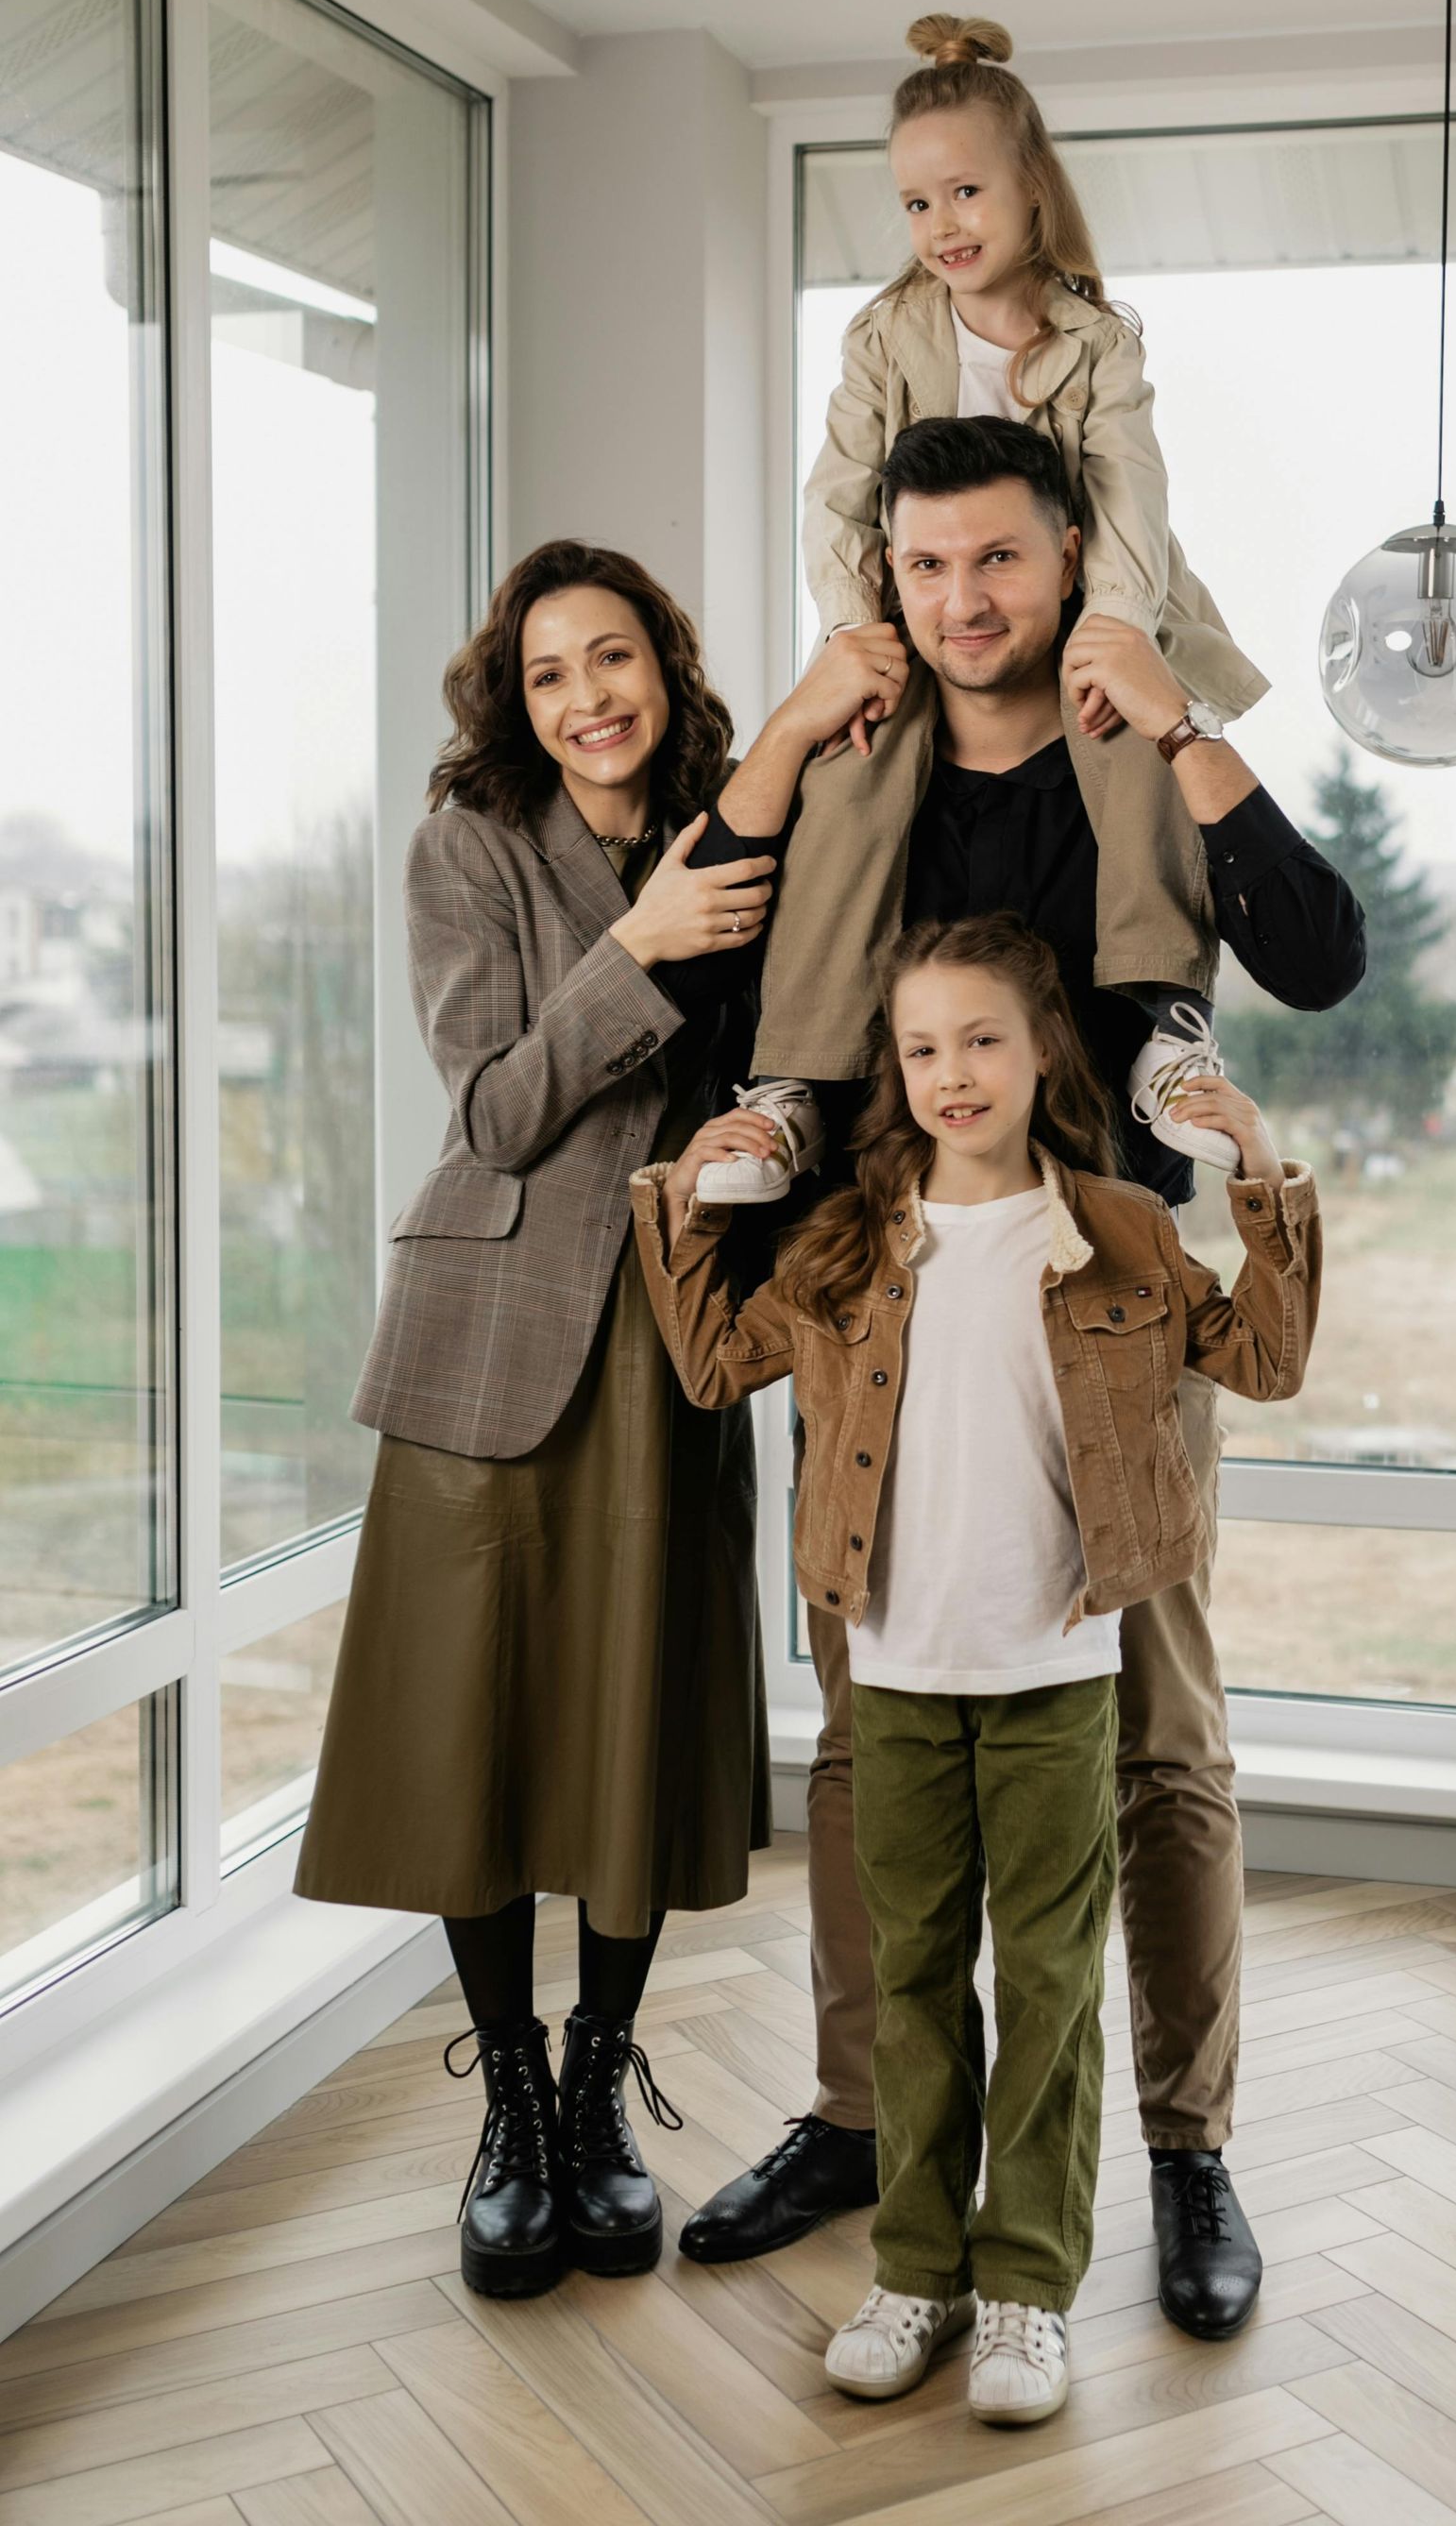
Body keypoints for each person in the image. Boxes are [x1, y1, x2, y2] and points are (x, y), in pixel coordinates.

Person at [673, 415, 1363, 2343]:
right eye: (925, 568)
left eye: (999, 559)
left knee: (1159, 1744)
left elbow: (1321, 950)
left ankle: (1186, 2143)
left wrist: (1177, 716)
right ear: (884, 583)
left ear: (1070, 559)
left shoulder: (1135, 750)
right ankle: (857, 2119)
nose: (963, 599)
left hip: (1107, 1310)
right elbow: (703, 990)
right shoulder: (847, 773)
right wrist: (792, 732)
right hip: (885, 1296)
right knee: (867, 1737)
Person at [293, 538, 901, 2298]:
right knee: (476, 1719)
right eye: (551, 673)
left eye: (614, 659)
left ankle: (596, 2094)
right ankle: (507, 2113)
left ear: (666, 666)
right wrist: (637, 944)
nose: (588, 700)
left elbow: (796, 1068)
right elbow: (495, 1110)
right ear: (515, 694)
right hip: (484, 1328)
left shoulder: (755, 828)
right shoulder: (464, 848)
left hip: (668, 1323)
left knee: (633, 1708)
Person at [633, 914, 1320, 2423]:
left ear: (1042, 1052)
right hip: (892, 1673)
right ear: (892, 1064)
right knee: (919, 1985)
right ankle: (918, 2271)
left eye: (984, 1040)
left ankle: (1025, 2294)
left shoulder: (1120, 1229)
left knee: (1057, 1983)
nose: (952, 1073)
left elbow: (1263, 1358)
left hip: (1054, 1673)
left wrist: (1257, 1164)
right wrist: (688, 1190)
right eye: (922, 1046)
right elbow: (705, 1362)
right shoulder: (842, 1241)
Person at [698, 8, 1277, 1207]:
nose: (942, 226)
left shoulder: (1094, 341)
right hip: (931, 622)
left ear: (1031, 193)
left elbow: (1127, 493)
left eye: (965, 193)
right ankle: (796, 1081)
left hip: (1090, 603)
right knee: (851, 775)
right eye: (916, 204)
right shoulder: (886, 335)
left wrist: (1109, 632)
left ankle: (1166, 1031)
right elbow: (838, 498)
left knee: (1128, 741)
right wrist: (856, 636)